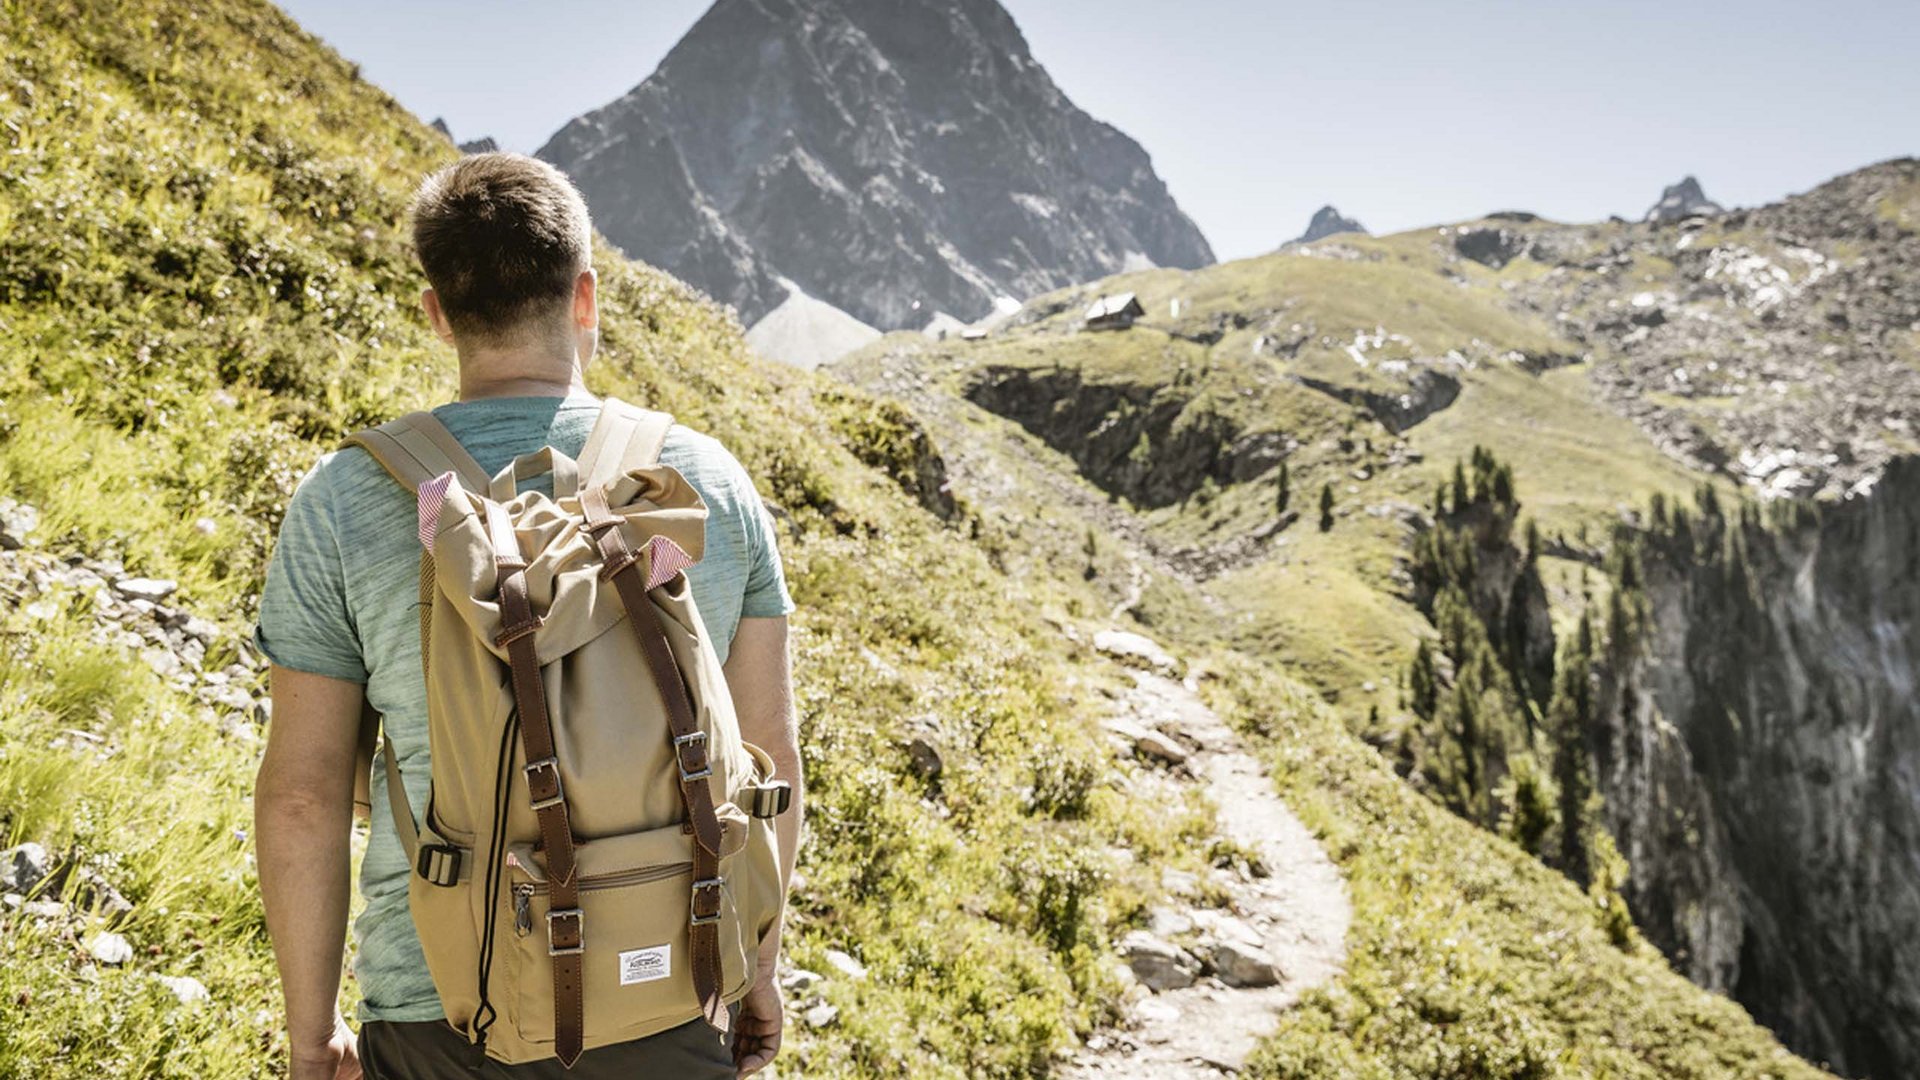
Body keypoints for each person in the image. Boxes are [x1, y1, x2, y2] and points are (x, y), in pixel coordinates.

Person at [250, 152, 801, 1080]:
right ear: (584, 297)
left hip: (440, 1007)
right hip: (673, 980)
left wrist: (314, 1034)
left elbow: (303, 795)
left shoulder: (347, 498)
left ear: (437, 312)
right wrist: (757, 970)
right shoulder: (704, 481)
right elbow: (768, 756)